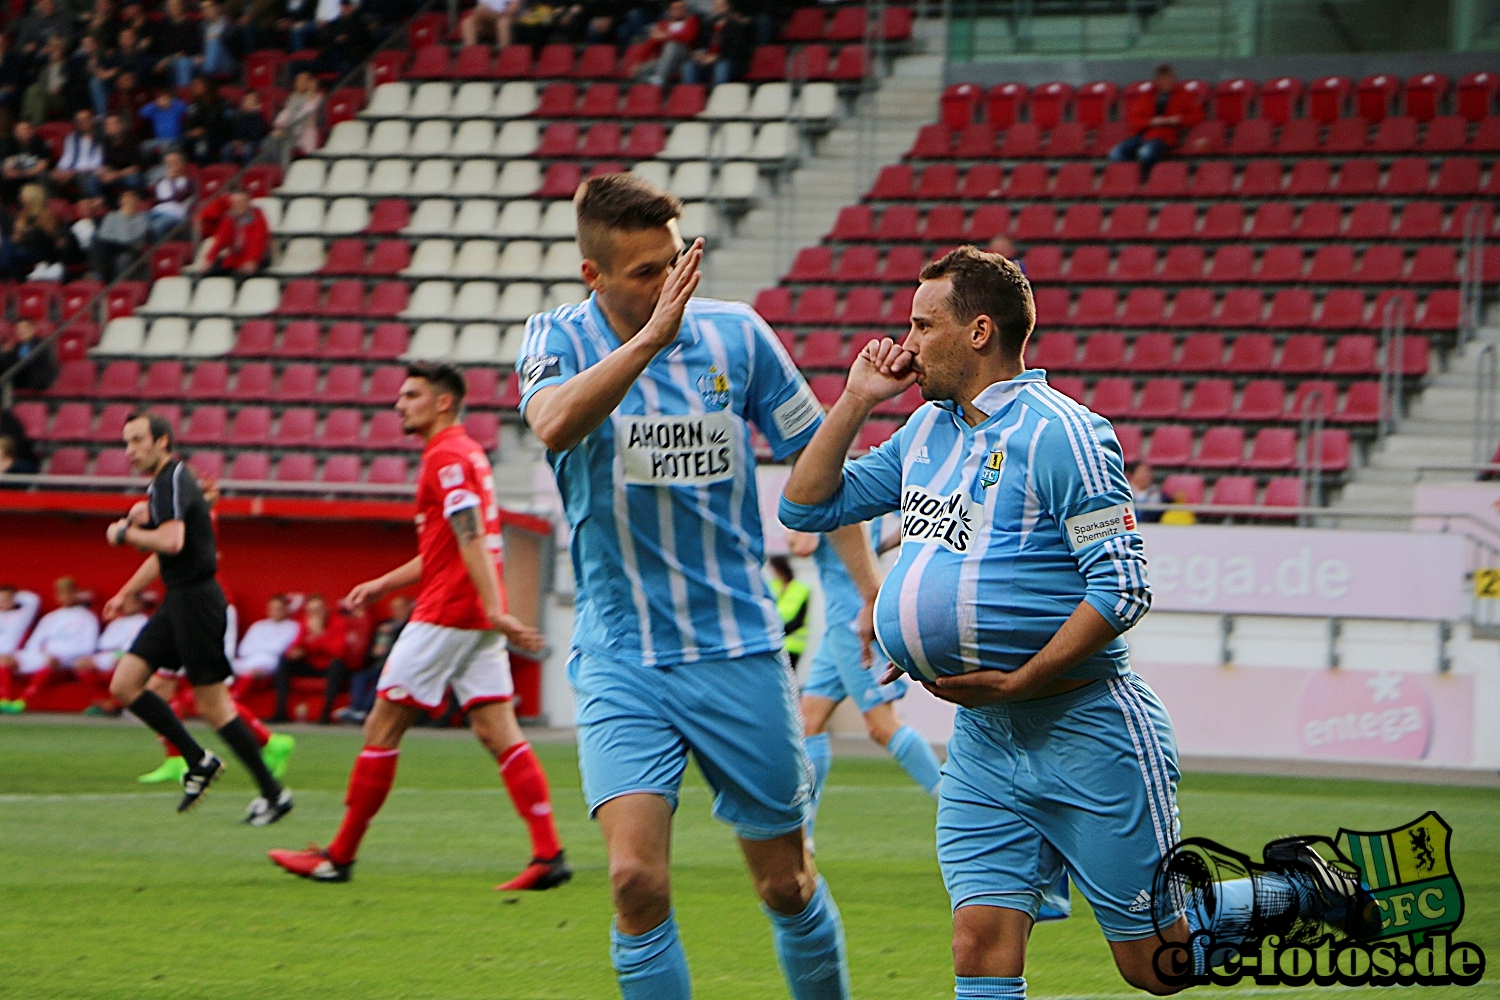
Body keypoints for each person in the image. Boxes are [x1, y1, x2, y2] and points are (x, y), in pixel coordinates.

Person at [516, 173, 861, 1000]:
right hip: (622, 658)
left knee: (787, 884)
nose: (671, 283)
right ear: (592, 276)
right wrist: (647, 343)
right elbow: (554, 423)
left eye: (675, 262)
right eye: (645, 272)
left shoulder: (738, 337)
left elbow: (820, 467)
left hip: (738, 651)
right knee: (635, 880)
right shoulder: (554, 338)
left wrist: (872, 588)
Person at [269, 362, 567, 890]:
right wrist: (383, 585)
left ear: (443, 402)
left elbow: (469, 535)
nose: (398, 404)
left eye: (411, 395)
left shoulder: (447, 457)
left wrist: (496, 607)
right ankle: (548, 855)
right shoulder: (468, 452)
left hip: (450, 612)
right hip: (472, 613)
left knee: (381, 727)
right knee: (497, 730)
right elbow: (448, 546)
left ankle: (338, 856)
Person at [101, 411, 293, 824]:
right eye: (127, 442)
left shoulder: (170, 479)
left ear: (162, 442)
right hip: (180, 599)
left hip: (198, 603)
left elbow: (171, 542)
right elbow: (168, 552)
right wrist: (126, 592)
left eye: (138, 441)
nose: (130, 451)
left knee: (215, 707)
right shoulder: (167, 483)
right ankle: (197, 759)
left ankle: (274, 794)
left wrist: (124, 534)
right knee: (126, 683)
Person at [786, 525, 943, 852]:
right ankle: (805, 833)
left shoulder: (826, 487)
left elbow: (802, 543)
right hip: (840, 623)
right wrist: (879, 545)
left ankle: (956, 807)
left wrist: (792, 525)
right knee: (810, 721)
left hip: (853, 621)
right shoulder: (854, 484)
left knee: (882, 725)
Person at [0, 576, 99, 712]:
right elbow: (33, 643)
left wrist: (60, 656)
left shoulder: (87, 617)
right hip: (41, 656)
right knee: (5, 659)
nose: (64, 596)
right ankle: (4, 700)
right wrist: (40, 654)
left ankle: (22, 701)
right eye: (60, 593)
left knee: (50, 662)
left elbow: (88, 647)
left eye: (68, 592)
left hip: (66, 660)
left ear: (76, 593)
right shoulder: (50, 617)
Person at [1109, 63, 1204, 182]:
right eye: (1163, 80)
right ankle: (1131, 177)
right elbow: (1133, 119)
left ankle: (1144, 181)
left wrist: (1179, 119)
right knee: (1115, 153)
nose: (1167, 83)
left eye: (1169, 80)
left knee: (1146, 153)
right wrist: (1151, 121)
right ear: (1157, 81)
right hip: (1143, 134)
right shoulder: (1148, 95)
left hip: (1164, 135)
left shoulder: (1184, 94)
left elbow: (1197, 116)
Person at [333, 593, 411, 725]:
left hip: (398, 667)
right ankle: (355, 708)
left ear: (408, 608)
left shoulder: (410, 625)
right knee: (359, 677)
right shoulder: (384, 624)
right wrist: (374, 651)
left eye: (400, 607)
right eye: (394, 608)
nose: (396, 611)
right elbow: (371, 646)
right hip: (377, 664)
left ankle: (365, 711)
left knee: (382, 681)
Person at [268, 593, 346, 723]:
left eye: (318, 609)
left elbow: (337, 651)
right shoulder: (305, 622)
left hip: (329, 666)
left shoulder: (337, 622)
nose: (315, 614)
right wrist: (296, 651)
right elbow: (297, 645)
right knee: (284, 660)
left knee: (336, 665)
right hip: (311, 663)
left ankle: (325, 714)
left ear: (325, 609)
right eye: (311, 610)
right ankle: (281, 712)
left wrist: (319, 634)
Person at [229, 594, 300, 694]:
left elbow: (280, 648)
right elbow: (243, 649)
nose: (275, 611)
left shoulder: (292, 626)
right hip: (249, 660)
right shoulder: (258, 626)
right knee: (222, 667)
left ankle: (234, 699)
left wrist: (260, 647)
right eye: (272, 608)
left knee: (255, 672)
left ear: (285, 610)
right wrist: (265, 648)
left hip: (271, 662)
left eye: (278, 608)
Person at [197, 189, 268, 276]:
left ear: (248, 203)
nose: (238, 205)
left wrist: (252, 260)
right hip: (234, 257)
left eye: (241, 202)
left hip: (256, 258)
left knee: (243, 274)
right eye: (235, 202)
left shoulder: (257, 218)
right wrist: (209, 259)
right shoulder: (229, 218)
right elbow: (220, 241)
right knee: (207, 272)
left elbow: (257, 242)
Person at [682, 0, 752, 87]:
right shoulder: (707, 26)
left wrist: (717, 57)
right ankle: (692, 96)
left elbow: (738, 50)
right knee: (689, 66)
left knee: (722, 67)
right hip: (708, 61)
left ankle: (717, 95)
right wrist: (699, 55)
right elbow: (700, 45)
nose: (719, 8)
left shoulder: (736, 26)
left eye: (721, 5)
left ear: (728, 7)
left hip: (729, 61)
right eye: (716, 6)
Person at [88, 187, 149, 281]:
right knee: (96, 241)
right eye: (125, 199)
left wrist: (125, 217)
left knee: (121, 258)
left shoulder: (141, 218)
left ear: (136, 202)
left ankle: (103, 278)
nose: (128, 202)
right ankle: (99, 276)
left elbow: (128, 239)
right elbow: (104, 236)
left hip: (131, 248)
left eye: (131, 199)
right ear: (121, 202)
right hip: (112, 247)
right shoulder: (111, 216)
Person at [641, 0, 700, 87]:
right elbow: (651, 44)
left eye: (680, 8)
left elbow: (688, 37)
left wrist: (666, 36)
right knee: (641, 70)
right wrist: (639, 61)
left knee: (672, 45)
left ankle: (659, 79)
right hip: (665, 60)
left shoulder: (691, 21)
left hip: (684, 57)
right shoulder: (663, 24)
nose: (678, 10)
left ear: (685, 10)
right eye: (675, 8)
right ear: (670, 11)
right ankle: (652, 83)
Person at [767, 554, 810, 669]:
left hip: (793, 644)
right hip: (774, 642)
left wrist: (779, 631)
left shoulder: (801, 589)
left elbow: (799, 620)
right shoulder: (772, 586)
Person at [52, 108, 104, 199]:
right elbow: (67, 157)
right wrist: (59, 169)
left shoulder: (101, 138)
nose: (83, 122)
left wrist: (73, 172)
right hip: (70, 171)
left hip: (89, 171)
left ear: (92, 120)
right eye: (79, 120)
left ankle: (94, 203)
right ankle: (56, 205)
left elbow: (97, 161)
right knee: (45, 177)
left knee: (86, 178)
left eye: (86, 119)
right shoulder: (71, 137)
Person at [269, 70, 322, 157]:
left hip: (303, 135)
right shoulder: (294, 97)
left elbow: (304, 116)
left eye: (301, 80)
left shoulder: (316, 98)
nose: (297, 83)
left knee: (285, 145)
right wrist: (279, 126)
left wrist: (311, 94)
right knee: (268, 141)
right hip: (288, 133)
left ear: (310, 83)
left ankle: (285, 169)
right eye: (297, 80)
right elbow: (286, 113)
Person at [0, 120, 52, 206]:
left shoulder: (40, 143)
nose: (23, 132)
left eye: (26, 129)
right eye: (19, 130)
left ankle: (45, 206)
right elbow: (5, 164)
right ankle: (6, 206)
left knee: (43, 176)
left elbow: (42, 166)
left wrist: (20, 174)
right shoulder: (8, 143)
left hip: (32, 176)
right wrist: (7, 170)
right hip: (13, 177)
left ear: (32, 131)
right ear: (15, 132)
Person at [0, 319, 59, 391]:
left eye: (25, 328)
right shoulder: (17, 346)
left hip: (35, 378)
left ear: (33, 329)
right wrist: (5, 352)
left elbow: (32, 362)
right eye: (18, 329)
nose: (21, 331)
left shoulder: (41, 344)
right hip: (19, 377)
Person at [145, 149, 193, 238]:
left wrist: (171, 181)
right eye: (167, 162)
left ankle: (158, 251)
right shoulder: (161, 181)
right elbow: (155, 200)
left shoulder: (188, 182)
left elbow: (178, 198)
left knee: (156, 227)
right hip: (156, 212)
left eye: (173, 162)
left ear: (182, 164)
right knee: (137, 221)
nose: (170, 165)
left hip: (174, 216)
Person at [96, 111, 142, 197]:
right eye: (107, 125)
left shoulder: (131, 140)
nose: (108, 127)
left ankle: (136, 202)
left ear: (120, 126)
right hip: (113, 175)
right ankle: (102, 205)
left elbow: (136, 167)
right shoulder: (105, 142)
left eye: (112, 124)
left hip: (127, 174)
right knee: (92, 180)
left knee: (133, 179)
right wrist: (103, 173)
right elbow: (105, 163)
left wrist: (116, 175)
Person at [220, 90, 268, 164]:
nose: (247, 102)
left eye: (250, 101)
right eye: (246, 100)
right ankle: (229, 170)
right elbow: (235, 131)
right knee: (226, 149)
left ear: (256, 104)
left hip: (253, 141)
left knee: (247, 149)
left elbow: (257, 133)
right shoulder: (239, 116)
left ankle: (248, 170)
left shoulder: (257, 116)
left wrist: (244, 141)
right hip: (239, 141)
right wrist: (236, 140)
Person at [138, 88, 188, 157]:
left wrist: (171, 102)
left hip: (174, 141)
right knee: (143, 146)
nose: (163, 101)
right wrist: (155, 104)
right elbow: (142, 113)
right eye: (160, 99)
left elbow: (185, 107)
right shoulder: (155, 110)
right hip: (159, 140)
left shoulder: (176, 108)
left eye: (165, 98)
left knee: (165, 148)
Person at [0, 584, 41, 662]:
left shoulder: (21, 615)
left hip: (9, 654)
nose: (3, 601)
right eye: (1, 599)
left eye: (7, 598)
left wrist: (15, 595)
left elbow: (33, 600)